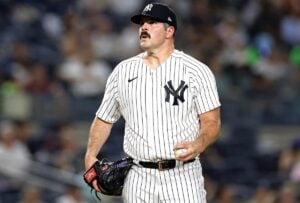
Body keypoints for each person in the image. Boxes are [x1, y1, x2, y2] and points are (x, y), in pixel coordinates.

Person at [84, 3, 221, 203]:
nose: (144, 27)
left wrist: (198, 144)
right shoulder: (123, 71)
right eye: (142, 23)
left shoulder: (196, 71)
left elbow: (212, 123)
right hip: (139, 176)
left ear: (170, 31)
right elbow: (104, 119)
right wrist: (90, 155)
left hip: (182, 175)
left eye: (152, 22)